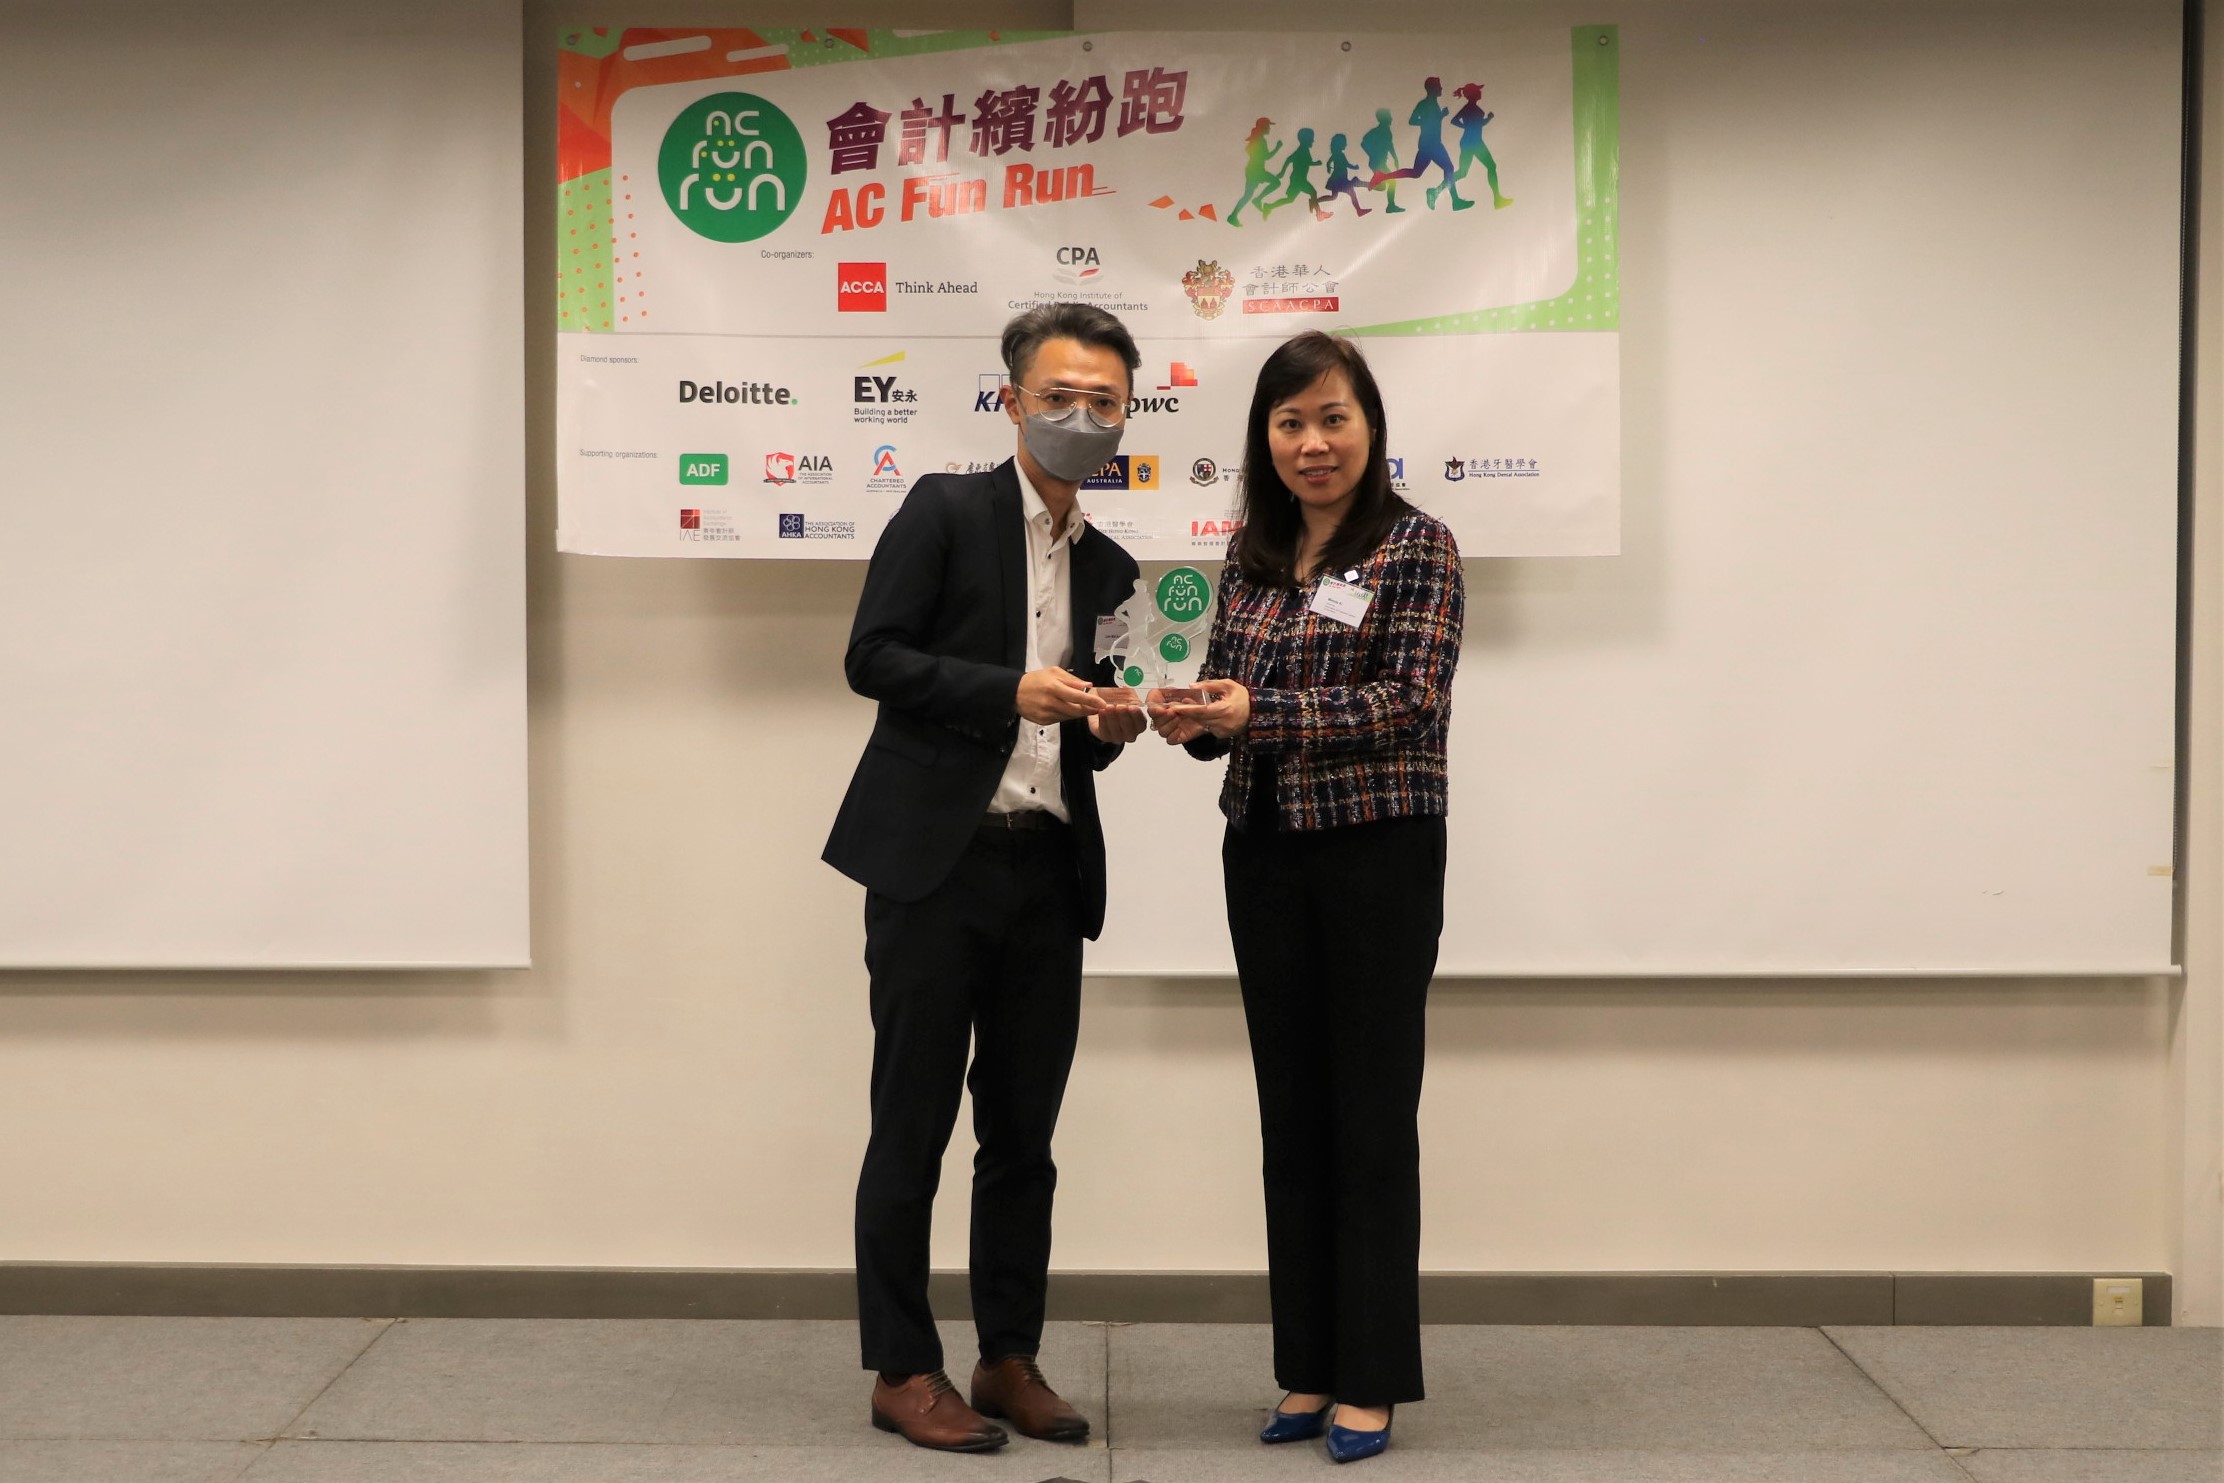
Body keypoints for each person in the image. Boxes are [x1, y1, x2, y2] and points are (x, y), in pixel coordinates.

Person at [824, 302, 1148, 1453]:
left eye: (1103, 402)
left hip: (1048, 869)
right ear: (1010, 400)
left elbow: (1095, 729)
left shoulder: (1114, 565)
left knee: (1023, 1134)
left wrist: (1118, 723)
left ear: (1128, 415)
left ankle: (1007, 1355)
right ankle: (901, 1367)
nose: (1080, 418)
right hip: (935, 863)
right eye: (1058, 396)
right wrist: (1005, 689)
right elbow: (872, 657)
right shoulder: (944, 509)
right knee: (909, 1122)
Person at [1153, 331, 1463, 1465]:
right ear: (1265, 439)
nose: (1313, 442)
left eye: (1333, 418)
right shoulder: (1253, 552)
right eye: (1290, 423)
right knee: (1290, 1115)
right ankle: (1310, 1365)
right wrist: (1194, 719)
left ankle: (1370, 1378)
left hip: (1378, 853)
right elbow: (1239, 703)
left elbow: (1410, 699)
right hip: (1267, 852)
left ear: (1369, 427)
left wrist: (1257, 714)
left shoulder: (1417, 546)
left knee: (1369, 1117)